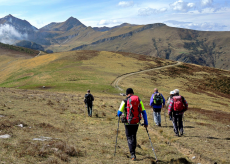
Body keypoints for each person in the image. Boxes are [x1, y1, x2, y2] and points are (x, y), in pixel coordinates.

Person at [117, 88, 148, 161]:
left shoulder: (125, 101)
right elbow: (144, 112)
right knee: (134, 135)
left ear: (127, 93)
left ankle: (132, 154)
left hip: (128, 122)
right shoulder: (139, 100)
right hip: (136, 122)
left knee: (129, 137)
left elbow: (119, 113)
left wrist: (119, 115)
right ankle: (133, 150)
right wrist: (146, 122)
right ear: (132, 93)